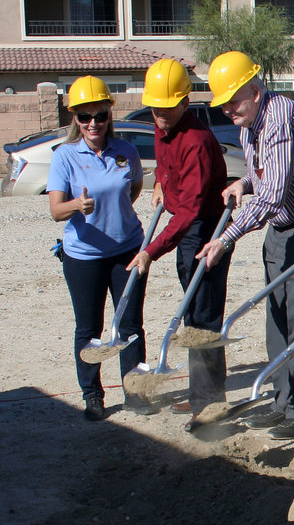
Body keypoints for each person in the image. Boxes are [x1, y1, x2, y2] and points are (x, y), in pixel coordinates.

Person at [197, 51, 294, 439]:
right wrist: (242, 184)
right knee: (276, 314)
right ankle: (282, 403)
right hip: (282, 224)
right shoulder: (249, 123)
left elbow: (273, 194)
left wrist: (225, 239)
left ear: (255, 91)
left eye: (233, 100)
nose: (227, 109)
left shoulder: (278, 118)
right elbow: (264, 176)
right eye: (222, 103)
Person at [126, 59, 231, 418]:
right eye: (155, 108)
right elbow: (165, 162)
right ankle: (202, 391)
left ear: (185, 102)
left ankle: (211, 400)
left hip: (204, 229)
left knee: (204, 314)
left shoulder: (198, 142)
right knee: (191, 312)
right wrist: (160, 181)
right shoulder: (162, 126)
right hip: (185, 228)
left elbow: (189, 211)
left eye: (168, 109)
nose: (159, 116)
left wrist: (150, 252)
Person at [47, 75, 147, 420]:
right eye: (85, 116)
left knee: (130, 327)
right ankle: (93, 395)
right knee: (89, 328)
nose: (93, 123)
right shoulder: (65, 157)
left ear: (109, 116)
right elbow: (55, 211)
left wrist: (115, 214)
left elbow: (133, 190)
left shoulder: (127, 151)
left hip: (128, 251)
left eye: (100, 116)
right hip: (84, 257)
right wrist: (78, 205)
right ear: (75, 118)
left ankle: (136, 393)